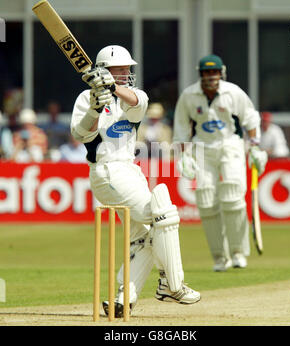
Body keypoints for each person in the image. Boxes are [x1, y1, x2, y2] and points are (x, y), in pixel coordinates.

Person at [71, 45, 200, 318]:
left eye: (129, 68)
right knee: (162, 214)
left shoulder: (135, 95)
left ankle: (122, 299)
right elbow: (81, 134)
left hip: (130, 170)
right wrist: (95, 108)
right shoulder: (86, 97)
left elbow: (136, 105)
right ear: (106, 69)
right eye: (121, 69)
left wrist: (112, 88)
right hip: (107, 171)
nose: (127, 72)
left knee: (144, 238)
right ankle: (171, 284)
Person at [173, 54, 268, 272]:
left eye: (214, 72)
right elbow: (180, 128)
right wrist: (183, 155)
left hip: (230, 144)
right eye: (206, 73)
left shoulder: (233, 92)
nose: (210, 77)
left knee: (233, 197)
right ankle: (218, 256)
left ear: (221, 72)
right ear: (200, 74)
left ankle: (237, 252)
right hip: (202, 148)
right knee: (205, 200)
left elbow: (251, 119)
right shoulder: (189, 95)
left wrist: (254, 147)